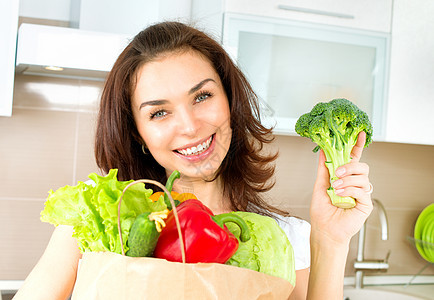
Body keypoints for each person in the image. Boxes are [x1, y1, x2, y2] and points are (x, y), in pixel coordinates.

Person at [14, 21, 373, 300]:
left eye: (201, 96)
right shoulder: (101, 226)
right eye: (158, 113)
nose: (189, 126)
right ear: (137, 132)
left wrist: (330, 239)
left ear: (230, 100)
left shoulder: (285, 241)